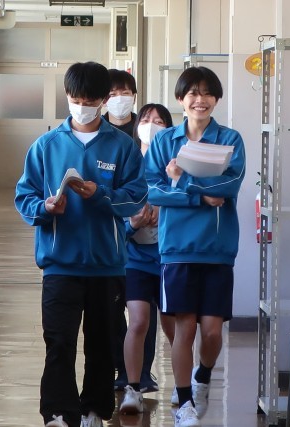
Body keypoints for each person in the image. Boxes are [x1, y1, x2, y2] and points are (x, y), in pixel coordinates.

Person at [14, 61, 148, 427]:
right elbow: (24, 196)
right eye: (76, 99)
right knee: (59, 342)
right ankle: (58, 412)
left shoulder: (122, 147)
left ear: (104, 100)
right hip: (60, 263)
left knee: (101, 344)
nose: (82, 106)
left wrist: (99, 194)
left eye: (90, 100)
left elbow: (137, 197)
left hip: (107, 265)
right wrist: (44, 208)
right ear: (67, 96)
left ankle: (94, 410)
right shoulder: (46, 146)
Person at [143, 66, 246, 427]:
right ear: (180, 99)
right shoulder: (163, 141)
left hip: (217, 247)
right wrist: (198, 195)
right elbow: (151, 191)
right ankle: (184, 402)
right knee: (184, 328)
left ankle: (203, 374)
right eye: (192, 93)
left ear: (216, 99)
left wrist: (180, 179)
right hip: (177, 248)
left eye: (207, 93)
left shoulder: (230, 138)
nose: (200, 100)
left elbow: (229, 187)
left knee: (213, 331)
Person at [103, 69, 160, 394]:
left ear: (134, 95)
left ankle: (141, 374)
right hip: (112, 239)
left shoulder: (147, 130)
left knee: (143, 314)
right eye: (112, 94)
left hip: (145, 244)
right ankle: (120, 370)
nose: (119, 99)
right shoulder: (98, 134)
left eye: (125, 92)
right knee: (112, 313)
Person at [119, 104, 176, 416]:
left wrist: (163, 214)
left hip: (169, 258)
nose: (151, 125)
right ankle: (133, 388)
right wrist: (134, 222)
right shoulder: (128, 162)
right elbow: (116, 209)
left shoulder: (175, 163)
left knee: (173, 326)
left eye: (159, 121)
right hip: (136, 257)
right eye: (145, 119)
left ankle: (184, 386)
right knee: (139, 321)